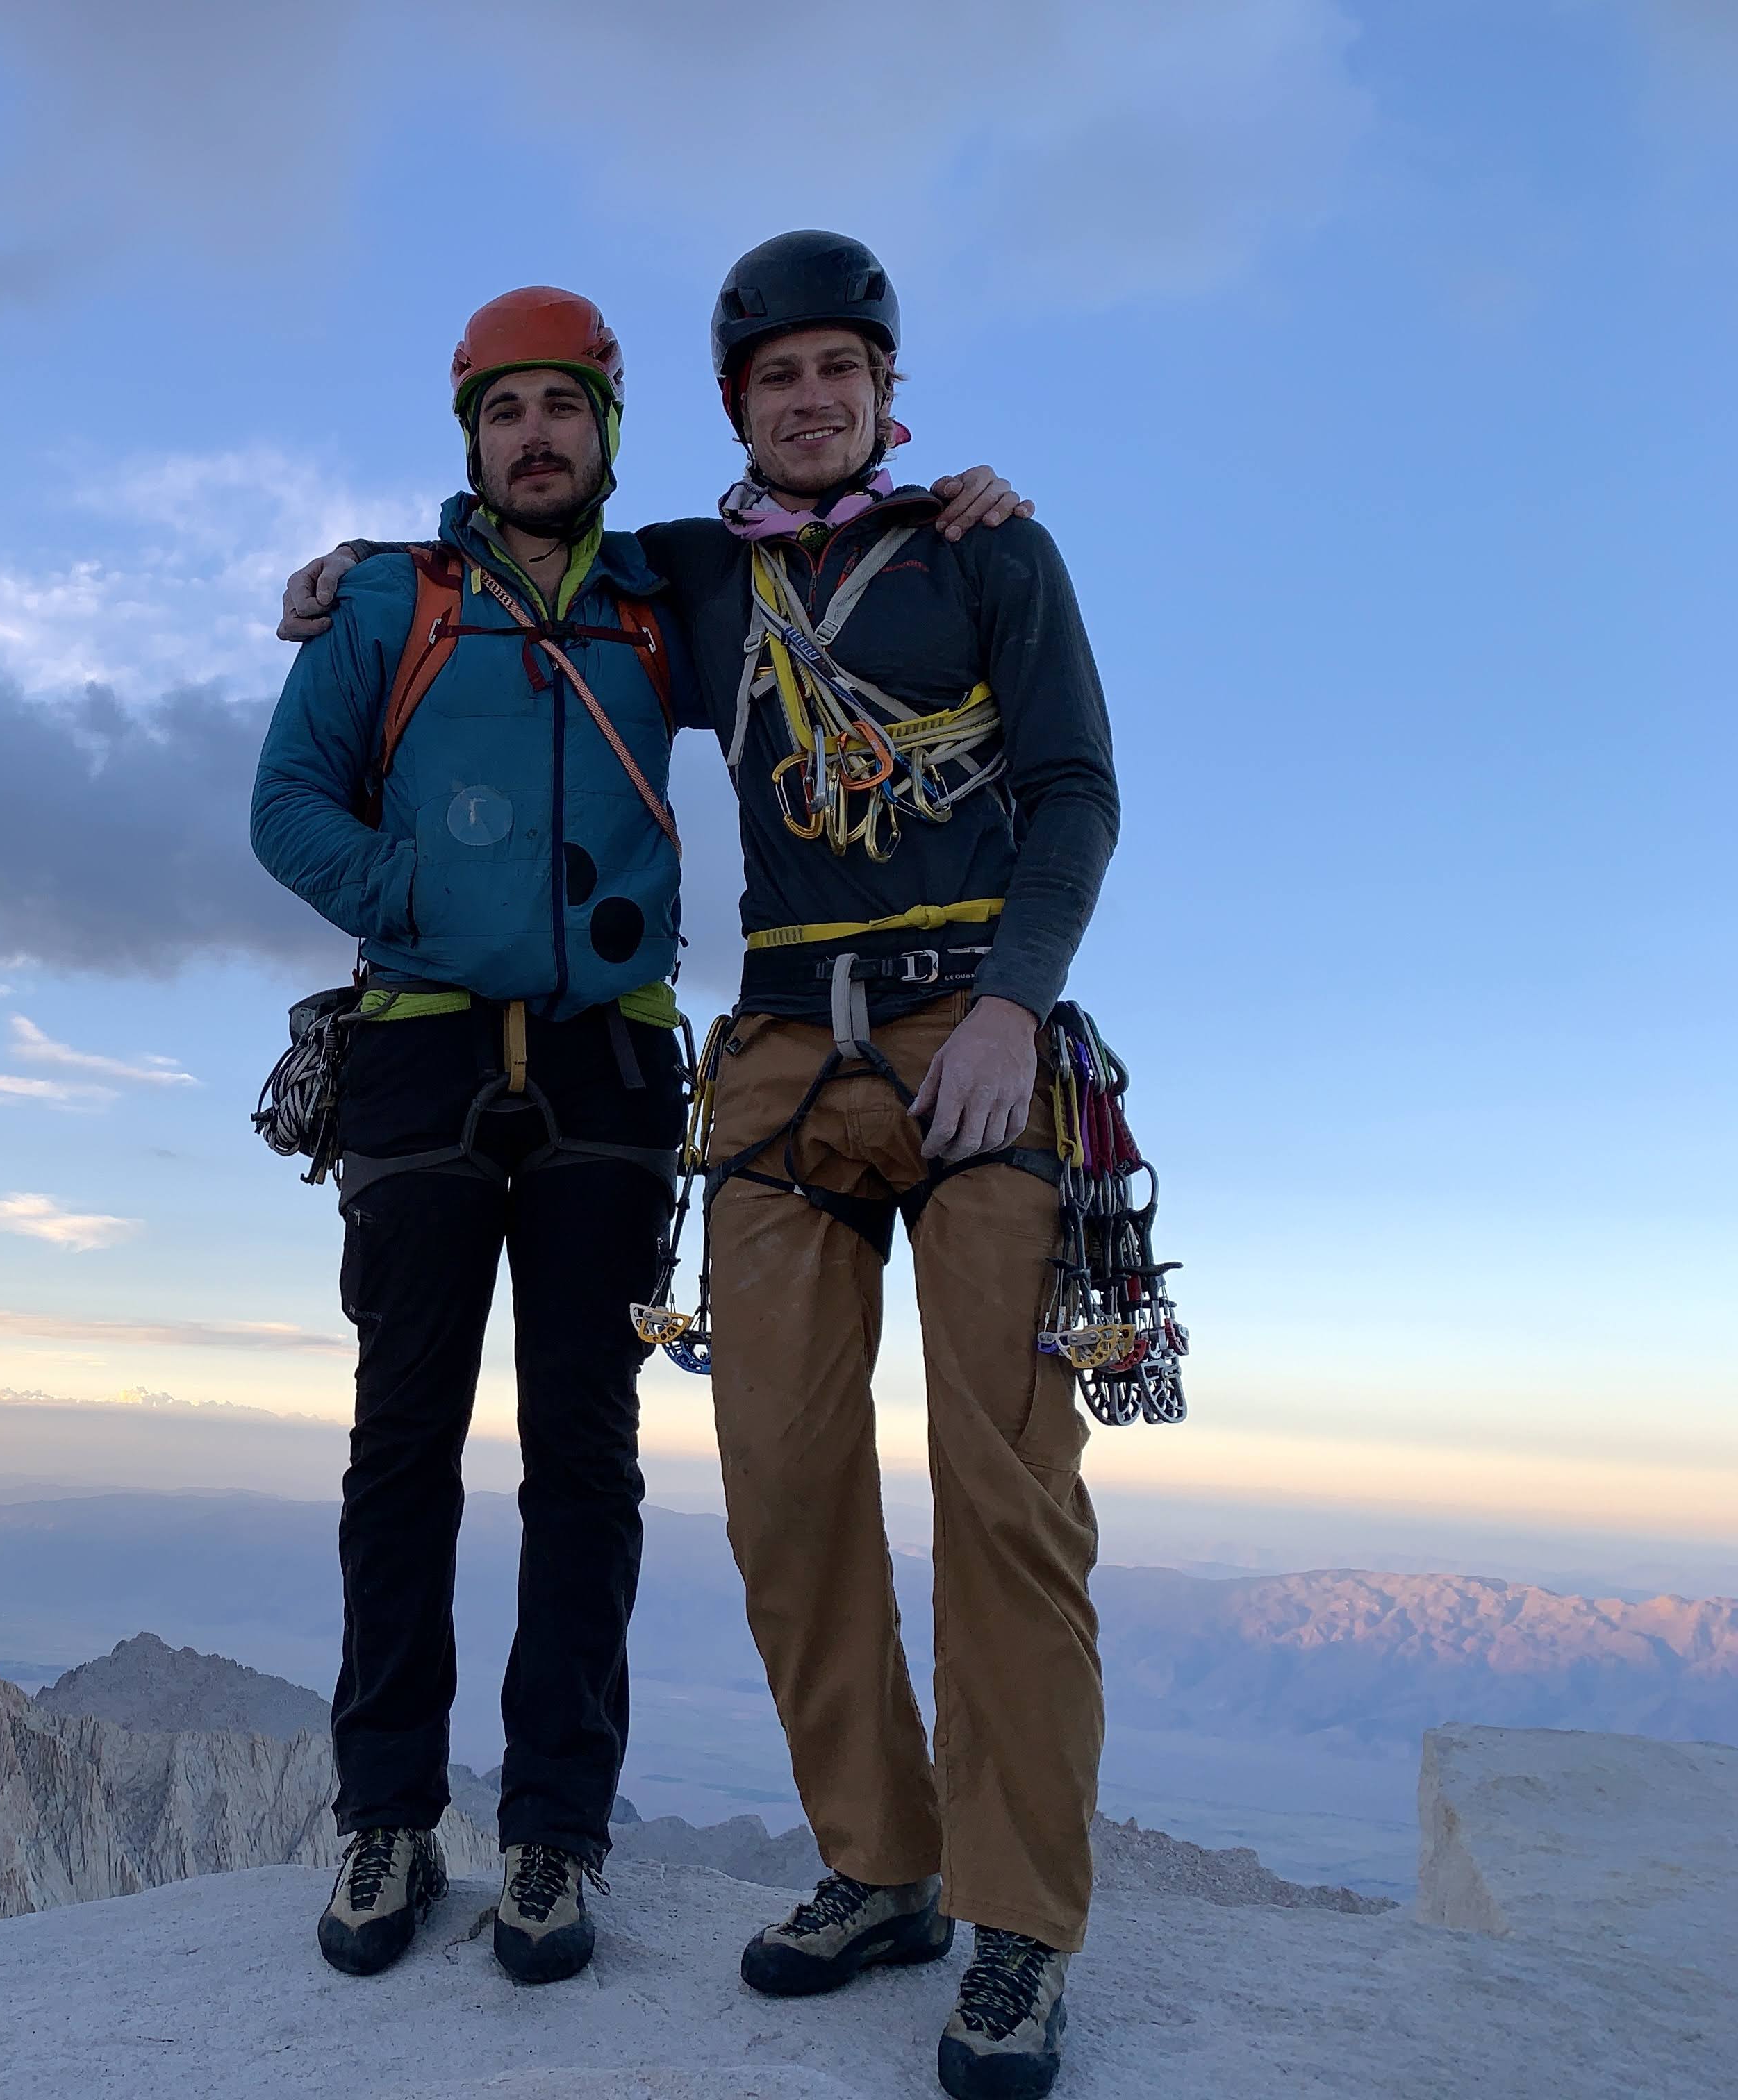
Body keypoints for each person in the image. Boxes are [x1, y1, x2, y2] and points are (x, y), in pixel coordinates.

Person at [277, 235, 1116, 2100]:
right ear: (736, 406)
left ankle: (1019, 1927)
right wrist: (350, 581)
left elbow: (1075, 791)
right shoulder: (699, 576)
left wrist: (1014, 1009)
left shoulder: (996, 551)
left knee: (1002, 1482)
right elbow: (511, 575)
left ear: (890, 391)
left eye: (844, 371)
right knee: (785, 1475)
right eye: (779, 376)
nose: (812, 398)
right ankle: (881, 1868)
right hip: (771, 1060)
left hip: (967, 1031)